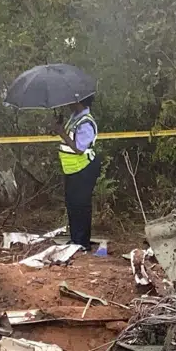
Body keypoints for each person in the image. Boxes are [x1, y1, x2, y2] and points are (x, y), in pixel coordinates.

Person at [57, 95, 100, 247]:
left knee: (81, 205)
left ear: (79, 102)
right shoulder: (74, 118)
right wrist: (60, 129)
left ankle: (82, 242)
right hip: (72, 169)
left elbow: (79, 149)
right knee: (72, 204)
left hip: (84, 168)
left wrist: (62, 133)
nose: (68, 103)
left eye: (71, 100)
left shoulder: (86, 122)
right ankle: (75, 239)